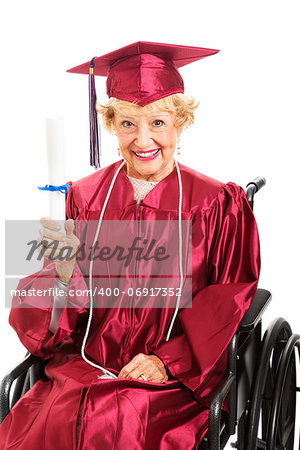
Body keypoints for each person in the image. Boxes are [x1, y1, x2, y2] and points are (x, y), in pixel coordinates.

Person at [0, 42, 260, 449]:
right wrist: (62, 276)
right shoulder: (83, 198)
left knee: (117, 418)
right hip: (85, 365)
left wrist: (167, 361)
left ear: (180, 122)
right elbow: (39, 321)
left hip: (171, 380)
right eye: (127, 124)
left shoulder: (216, 203)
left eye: (157, 122)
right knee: (61, 416)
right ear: (110, 124)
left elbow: (226, 298)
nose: (143, 140)